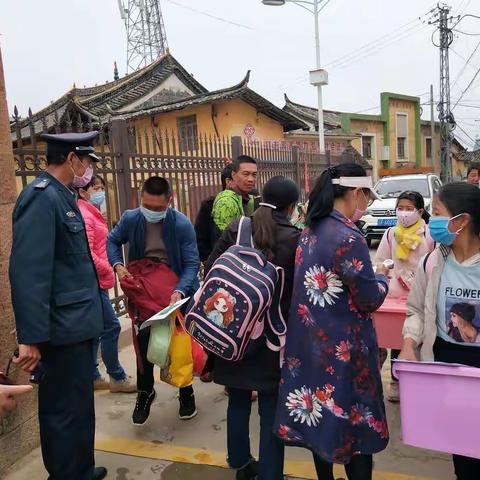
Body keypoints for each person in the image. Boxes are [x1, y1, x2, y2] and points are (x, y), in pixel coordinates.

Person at [274, 164, 390, 480]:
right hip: (344, 350)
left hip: (310, 344)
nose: (365, 201)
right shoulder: (348, 236)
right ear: (355, 192)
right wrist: (383, 277)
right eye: (365, 194)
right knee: (356, 426)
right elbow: (369, 299)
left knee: (319, 418)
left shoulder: (310, 228)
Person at [9, 132, 107, 480]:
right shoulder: (41, 199)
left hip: (76, 326)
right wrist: (31, 337)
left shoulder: (62, 197)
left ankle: (81, 469)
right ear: (72, 160)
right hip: (60, 332)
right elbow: (28, 272)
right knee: (63, 413)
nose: (88, 171)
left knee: (80, 408)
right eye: (87, 162)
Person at [205, 176, 301, 480]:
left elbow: (210, 269)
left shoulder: (239, 228)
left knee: (238, 397)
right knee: (270, 407)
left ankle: (240, 463)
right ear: (291, 207)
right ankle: (271, 474)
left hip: (232, 330)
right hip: (274, 336)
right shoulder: (294, 237)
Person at [399, 182, 480, 480]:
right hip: (449, 365)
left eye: (437, 212)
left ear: (462, 220)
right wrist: (409, 343)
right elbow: (417, 310)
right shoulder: (433, 261)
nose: (432, 220)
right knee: (463, 450)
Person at [107, 176, 200, 424]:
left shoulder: (181, 224)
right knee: (144, 341)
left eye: (158, 208)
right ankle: (145, 391)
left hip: (174, 289)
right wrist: (117, 264)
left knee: (178, 345)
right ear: (141, 200)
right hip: (144, 288)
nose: (152, 212)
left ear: (170, 201)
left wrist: (180, 291)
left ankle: (186, 392)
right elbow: (112, 240)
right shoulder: (131, 218)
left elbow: (192, 264)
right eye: (147, 206)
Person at [77, 175, 136, 393]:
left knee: (96, 329)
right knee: (112, 326)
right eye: (95, 188)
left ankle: (93, 376)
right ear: (83, 192)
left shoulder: (92, 213)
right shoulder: (85, 215)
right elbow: (88, 251)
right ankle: (117, 377)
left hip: (97, 280)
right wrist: (108, 267)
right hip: (94, 279)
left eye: (102, 188)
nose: (100, 192)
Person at [375, 191, 434, 402]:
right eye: (401, 208)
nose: (404, 213)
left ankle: (419, 382)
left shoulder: (429, 234)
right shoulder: (391, 234)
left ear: (420, 211)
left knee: (418, 338)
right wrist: (387, 270)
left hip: (421, 297)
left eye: (409, 209)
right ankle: (396, 381)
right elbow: (382, 260)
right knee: (394, 339)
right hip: (394, 297)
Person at [195, 165, 233, 262]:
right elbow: (200, 239)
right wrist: (211, 262)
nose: (250, 180)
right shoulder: (209, 205)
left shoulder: (252, 201)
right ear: (228, 181)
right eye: (245, 174)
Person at [212, 155, 257, 233]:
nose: (251, 179)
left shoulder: (249, 198)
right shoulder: (226, 202)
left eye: (254, 175)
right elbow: (226, 239)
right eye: (245, 174)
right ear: (233, 175)